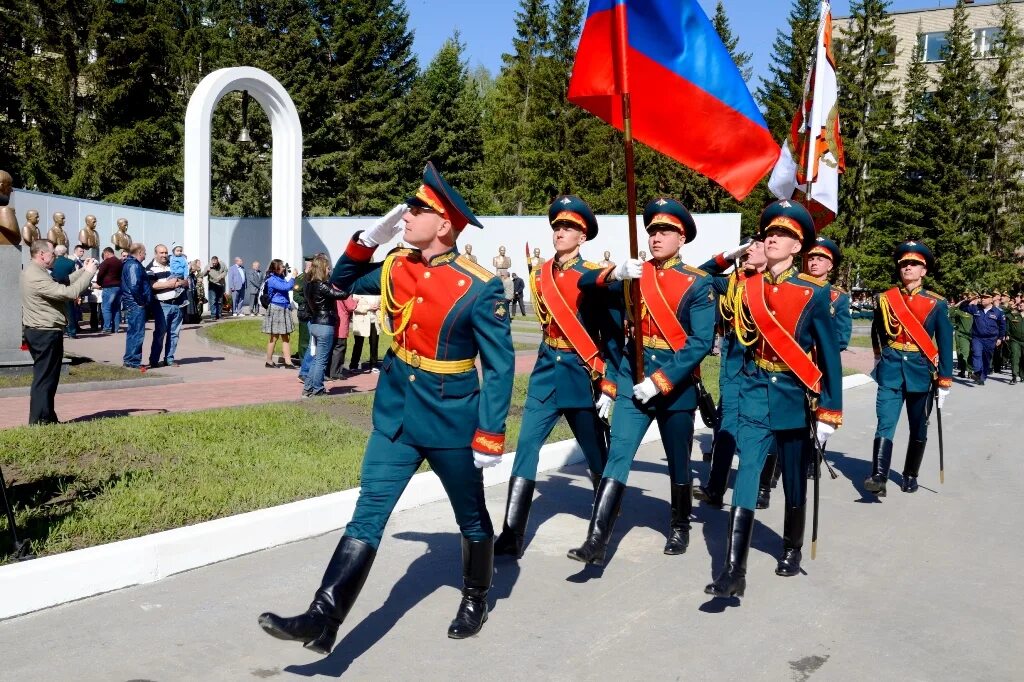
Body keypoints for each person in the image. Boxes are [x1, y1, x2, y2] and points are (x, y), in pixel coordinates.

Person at [258, 162, 514, 652]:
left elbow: (499, 367)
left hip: (451, 418)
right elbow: (340, 283)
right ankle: (322, 619)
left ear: (444, 225)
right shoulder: (398, 265)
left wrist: (490, 434)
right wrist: (365, 240)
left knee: (471, 515)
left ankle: (477, 595)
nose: (406, 216)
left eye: (417, 210)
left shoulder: (480, 286)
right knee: (369, 511)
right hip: (396, 411)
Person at [705, 200, 842, 598]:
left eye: (783, 235)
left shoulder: (813, 294)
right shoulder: (747, 286)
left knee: (795, 478)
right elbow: (700, 279)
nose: (773, 238)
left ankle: (791, 547)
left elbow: (829, 357)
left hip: (795, 397)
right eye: (770, 233)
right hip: (753, 391)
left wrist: (829, 412)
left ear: (797, 247)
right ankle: (734, 570)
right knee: (748, 472)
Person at [570, 197, 714, 565]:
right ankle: (597, 538)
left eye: (665, 231)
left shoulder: (697, 284)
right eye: (652, 231)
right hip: (633, 383)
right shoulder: (635, 274)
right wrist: (614, 274)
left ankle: (680, 525)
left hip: (674, 388)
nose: (656, 237)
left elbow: (700, 343)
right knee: (618, 455)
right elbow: (586, 284)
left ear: (682, 238)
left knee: (678, 461)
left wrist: (660, 380)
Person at [494, 195, 615, 559]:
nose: (560, 232)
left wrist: (609, 382)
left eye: (569, 228)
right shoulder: (539, 273)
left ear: (583, 236)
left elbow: (611, 332)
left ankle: (603, 524)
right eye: (557, 227)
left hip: (580, 372)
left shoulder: (592, 275)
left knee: (595, 452)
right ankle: (512, 534)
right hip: (547, 369)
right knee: (526, 445)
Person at [866, 241, 953, 497]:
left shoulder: (936, 303)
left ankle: (910, 473)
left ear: (923, 271)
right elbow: (877, 331)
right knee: (885, 423)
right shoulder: (886, 299)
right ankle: (879, 476)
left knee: (918, 427)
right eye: (904, 264)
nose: (907, 268)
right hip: (891, 370)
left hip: (920, 372)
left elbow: (945, 343)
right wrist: (878, 358)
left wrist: (945, 380)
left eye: (913, 264)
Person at [693, 236, 768, 509]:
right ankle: (716, 487)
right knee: (727, 425)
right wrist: (725, 256)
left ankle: (761, 487)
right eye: (745, 249)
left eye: (755, 247)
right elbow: (699, 276)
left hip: (764, 364)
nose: (748, 252)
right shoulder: (733, 281)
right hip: (735, 362)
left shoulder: (774, 284)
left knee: (762, 427)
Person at [21, 240, 98, 424]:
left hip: (42, 330)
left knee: (48, 377)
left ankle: (47, 417)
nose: (55, 257)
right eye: (52, 254)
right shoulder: (36, 276)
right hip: (45, 332)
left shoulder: (36, 271)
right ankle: (40, 421)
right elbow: (69, 293)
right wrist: (88, 274)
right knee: (45, 379)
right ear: (41, 254)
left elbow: (62, 282)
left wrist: (82, 270)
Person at [301, 255, 350, 397]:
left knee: (316, 358)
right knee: (321, 360)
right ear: (323, 268)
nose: (330, 271)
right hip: (324, 324)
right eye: (328, 268)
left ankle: (308, 388)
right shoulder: (322, 284)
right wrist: (350, 286)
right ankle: (318, 388)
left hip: (315, 323)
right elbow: (340, 294)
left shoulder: (309, 284)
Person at [804, 236, 852, 350]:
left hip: (823, 357)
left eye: (820, 259)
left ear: (830, 266)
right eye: (811, 259)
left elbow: (842, 336)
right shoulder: (797, 289)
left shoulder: (839, 297)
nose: (814, 263)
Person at [147, 244, 187, 368]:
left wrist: (182, 282)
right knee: (160, 333)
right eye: (161, 253)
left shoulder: (174, 264)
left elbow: (186, 280)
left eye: (166, 253)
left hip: (178, 304)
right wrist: (170, 284)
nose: (164, 255)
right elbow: (152, 285)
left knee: (174, 334)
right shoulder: (150, 268)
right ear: (156, 254)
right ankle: (154, 360)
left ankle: (169, 359)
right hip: (162, 305)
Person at [960, 292, 1006, 385]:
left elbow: (1002, 326)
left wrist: (1000, 338)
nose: (983, 299)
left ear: (991, 300)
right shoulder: (976, 308)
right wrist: (970, 299)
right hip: (977, 338)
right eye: (982, 297)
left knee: (986, 359)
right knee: (976, 354)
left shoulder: (998, 312)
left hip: (990, 339)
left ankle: (982, 377)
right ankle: (977, 372)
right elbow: (962, 307)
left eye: (985, 297)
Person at [261, 259, 298, 368]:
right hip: (276, 308)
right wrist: (293, 277)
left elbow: (289, 287)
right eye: (281, 266)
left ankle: (288, 362)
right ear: (275, 268)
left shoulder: (281, 278)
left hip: (284, 307)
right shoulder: (272, 279)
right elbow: (285, 287)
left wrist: (292, 280)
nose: (283, 268)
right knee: (274, 337)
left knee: (286, 336)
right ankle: (268, 360)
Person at [120, 243, 151, 369]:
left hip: (134, 302)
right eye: (144, 252)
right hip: (136, 303)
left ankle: (130, 359)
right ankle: (132, 360)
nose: (145, 255)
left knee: (134, 332)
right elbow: (134, 285)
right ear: (139, 252)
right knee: (137, 333)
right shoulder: (133, 265)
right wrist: (141, 302)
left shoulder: (131, 264)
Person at [348, 294, 381, 373]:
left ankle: (373, 365)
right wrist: (369, 307)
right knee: (358, 344)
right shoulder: (357, 293)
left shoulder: (377, 292)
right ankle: (353, 365)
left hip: (374, 321)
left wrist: (379, 308)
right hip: (361, 321)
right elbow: (354, 307)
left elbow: (382, 305)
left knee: (374, 344)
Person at [328, 293, 358, 380]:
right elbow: (351, 306)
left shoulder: (329, 286)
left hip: (330, 322)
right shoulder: (343, 291)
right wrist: (356, 301)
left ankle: (330, 370)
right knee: (340, 347)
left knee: (331, 348)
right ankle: (336, 372)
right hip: (341, 321)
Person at [96, 247, 123, 333]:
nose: (103, 257)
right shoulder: (120, 262)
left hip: (109, 287)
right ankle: (116, 328)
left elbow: (100, 274)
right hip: (118, 287)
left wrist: (99, 283)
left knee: (106, 308)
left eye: (104, 255)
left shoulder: (106, 262)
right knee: (116, 308)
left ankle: (107, 328)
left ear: (107, 253)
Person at [949, 295, 974, 378]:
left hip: (968, 335)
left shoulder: (970, 312)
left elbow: (950, 311)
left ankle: (967, 371)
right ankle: (966, 371)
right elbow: (951, 312)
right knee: (966, 353)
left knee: (967, 353)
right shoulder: (967, 313)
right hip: (967, 335)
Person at [185, 259, 206, 325]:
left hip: (193, 291)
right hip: (188, 291)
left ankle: (193, 319)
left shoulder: (193, 276)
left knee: (193, 307)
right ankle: (189, 319)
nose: (194, 271)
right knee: (190, 307)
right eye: (193, 270)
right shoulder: (187, 274)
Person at [1007, 300, 1024, 384]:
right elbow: (1004, 315)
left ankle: (1022, 375)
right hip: (1015, 340)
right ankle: (1014, 376)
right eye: (1020, 303)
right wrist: (1011, 308)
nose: (1021, 304)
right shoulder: (1013, 315)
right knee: (1015, 357)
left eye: (1023, 303)